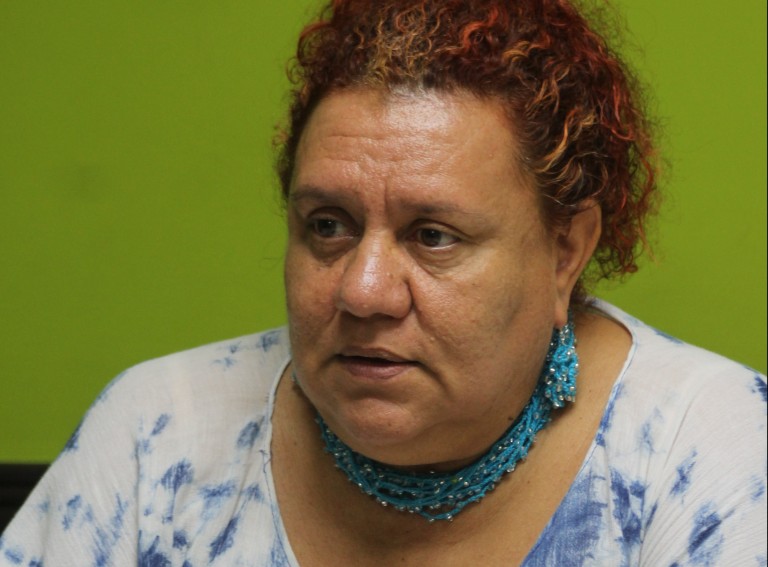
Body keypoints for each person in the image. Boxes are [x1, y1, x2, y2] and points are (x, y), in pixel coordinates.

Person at [1, 0, 765, 565]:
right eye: (328, 225)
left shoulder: (707, 454)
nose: (362, 291)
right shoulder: (155, 436)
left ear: (566, 250)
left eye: (433, 236)